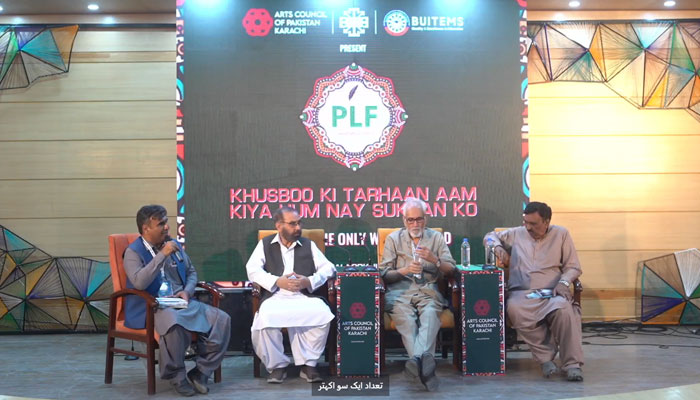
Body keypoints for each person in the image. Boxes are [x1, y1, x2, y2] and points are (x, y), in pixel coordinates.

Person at [123, 205, 231, 396]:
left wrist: (188, 291)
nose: (167, 227)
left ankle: (201, 372)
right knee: (175, 324)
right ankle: (177, 377)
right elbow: (139, 282)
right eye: (161, 224)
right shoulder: (133, 252)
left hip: (180, 302)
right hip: (153, 305)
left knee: (222, 319)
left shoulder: (174, 244)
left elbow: (191, 272)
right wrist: (162, 255)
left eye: (166, 222)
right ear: (146, 228)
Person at [484, 201, 584, 381]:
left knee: (564, 311)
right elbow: (489, 236)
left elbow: (574, 267)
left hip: (552, 292)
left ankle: (572, 364)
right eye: (525, 222)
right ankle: (545, 358)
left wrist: (563, 282)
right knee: (514, 309)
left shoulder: (561, 234)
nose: (528, 228)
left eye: (533, 224)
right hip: (523, 293)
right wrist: (497, 247)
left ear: (546, 222)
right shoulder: (516, 233)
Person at [246, 207, 336, 384]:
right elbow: (252, 270)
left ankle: (308, 364)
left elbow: (329, 268)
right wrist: (277, 281)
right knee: (265, 319)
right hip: (276, 296)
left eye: (299, 223)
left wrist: (309, 281)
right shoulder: (265, 244)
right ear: (279, 225)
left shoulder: (308, 244)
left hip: (303, 296)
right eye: (293, 224)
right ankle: (277, 366)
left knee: (323, 315)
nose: (298, 227)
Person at [379, 197, 456, 391]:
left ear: (426, 218)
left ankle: (416, 363)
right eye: (411, 220)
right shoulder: (393, 239)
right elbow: (384, 274)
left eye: (419, 219)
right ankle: (426, 369)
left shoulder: (436, 238)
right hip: (400, 292)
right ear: (404, 220)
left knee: (431, 315)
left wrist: (435, 260)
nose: (415, 224)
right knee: (406, 320)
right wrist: (404, 270)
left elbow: (451, 270)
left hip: (428, 291)